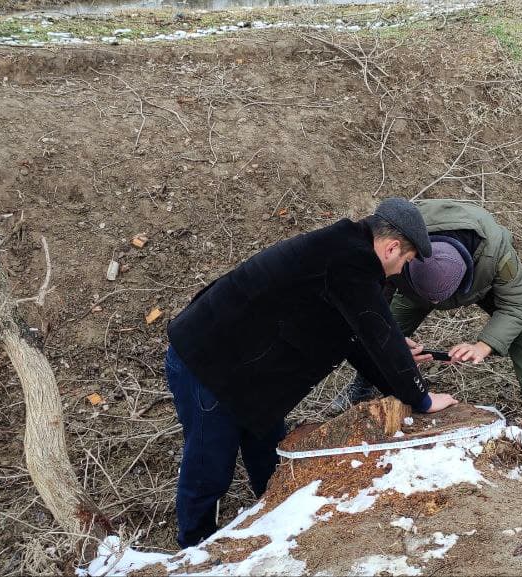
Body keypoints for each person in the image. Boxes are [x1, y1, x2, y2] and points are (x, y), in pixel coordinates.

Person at [164, 198, 459, 548]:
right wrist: (420, 398)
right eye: (406, 261)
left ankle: (273, 533)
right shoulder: (351, 260)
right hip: (209, 363)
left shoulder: (343, 252)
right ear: (392, 247)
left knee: (270, 457)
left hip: (250, 376)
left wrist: (398, 385)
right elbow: (379, 335)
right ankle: (193, 551)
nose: (399, 271)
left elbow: (357, 338)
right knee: (209, 470)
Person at [332, 199, 522, 458]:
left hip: (481, 282)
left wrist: (483, 346)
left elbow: (518, 306)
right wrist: (392, 340)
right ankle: (362, 386)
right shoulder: (400, 244)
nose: (440, 307)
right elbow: (371, 301)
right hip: (415, 287)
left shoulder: (496, 253)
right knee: (385, 327)